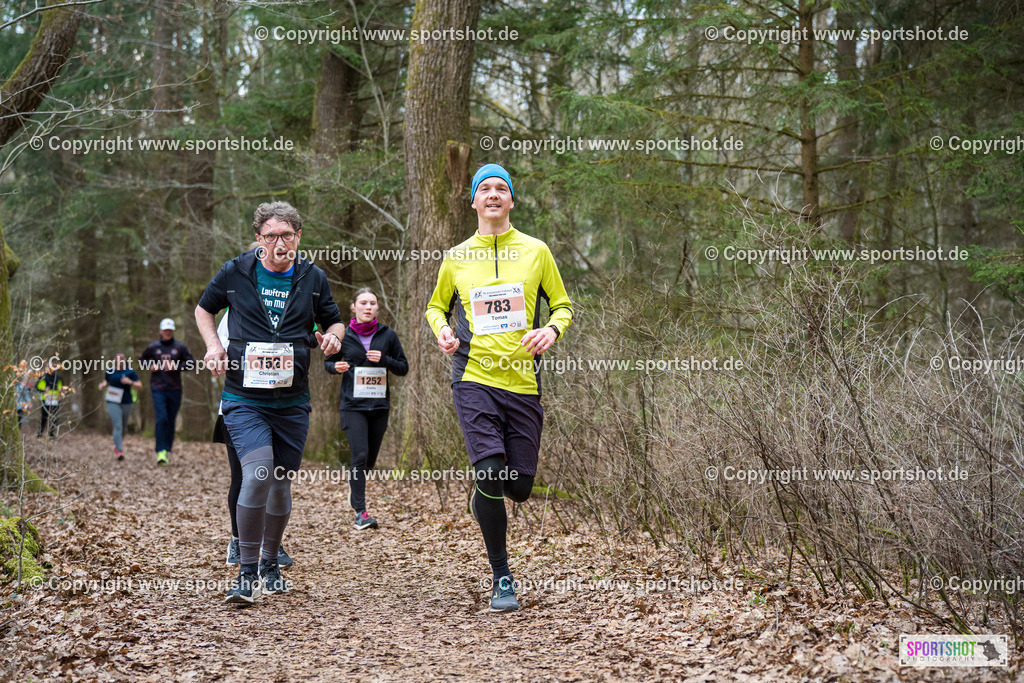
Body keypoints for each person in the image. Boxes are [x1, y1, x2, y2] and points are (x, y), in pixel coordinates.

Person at [425, 163, 574, 612]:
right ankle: (501, 575)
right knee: (489, 471)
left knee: (520, 486)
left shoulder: (536, 251)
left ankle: (484, 497)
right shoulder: (456, 257)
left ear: (511, 201)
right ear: (472, 201)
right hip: (473, 378)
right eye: (484, 189)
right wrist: (442, 332)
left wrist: (552, 331)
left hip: (523, 382)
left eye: (500, 189)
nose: (492, 194)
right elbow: (436, 307)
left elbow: (563, 305)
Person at [196, 201, 344, 605]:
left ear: (298, 237)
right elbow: (204, 308)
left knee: (279, 482)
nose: (279, 243)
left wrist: (333, 336)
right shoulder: (236, 271)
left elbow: (333, 319)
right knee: (257, 472)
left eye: (287, 236)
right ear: (258, 238)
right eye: (271, 236)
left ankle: (270, 563)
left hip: (292, 400)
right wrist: (213, 346)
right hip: (244, 396)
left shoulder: (313, 277)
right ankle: (245, 574)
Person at [214, 242, 293, 570]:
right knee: (245, 477)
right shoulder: (233, 311)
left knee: (277, 477)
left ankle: (272, 545)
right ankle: (238, 541)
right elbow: (217, 354)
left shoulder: (290, 306)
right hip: (241, 407)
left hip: (282, 409)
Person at [325, 287, 408, 530]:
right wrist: (336, 366)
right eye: (363, 302)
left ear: (377, 308)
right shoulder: (344, 335)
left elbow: (403, 367)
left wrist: (384, 359)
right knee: (359, 455)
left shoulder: (388, 335)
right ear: (353, 307)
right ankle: (360, 511)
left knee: (369, 460)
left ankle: (355, 491)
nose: (368, 307)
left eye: (372, 303)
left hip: (379, 406)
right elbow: (328, 362)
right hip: (353, 406)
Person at [139, 318, 194, 465]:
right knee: (161, 417)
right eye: (165, 330)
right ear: (160, 331)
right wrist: (150, 365)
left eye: (170, 330)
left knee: (170, 419)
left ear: (173, 331)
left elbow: (191, 363)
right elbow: (142, 360)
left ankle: (167, 448)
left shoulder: (180, 347)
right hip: (158, 388)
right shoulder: (153, 347)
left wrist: (176, 366)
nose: (167, 333)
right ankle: (161, 451)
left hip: (175, 388)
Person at [98, 352, 142, 460]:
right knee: (117, 425)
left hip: (126, 401)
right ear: (114, 360)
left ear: (125, 360)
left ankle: (117, 444)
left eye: (122, 358)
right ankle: (119, 450)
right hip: (112, 401)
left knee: (124, 427)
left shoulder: (130, 372)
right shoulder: (109, 371)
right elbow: (108, 381)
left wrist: (130, 382)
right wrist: (103, 384)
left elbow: (140, 386)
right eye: (118, 358)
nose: (120, 360)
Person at [35, 358, 63, 439]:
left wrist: (59, 393)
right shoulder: (43, 377)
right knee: (44, 417)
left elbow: (61, 387)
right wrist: (44, 390)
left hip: (55, 400)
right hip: (45, 400)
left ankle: (51, 434)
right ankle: (40, 434)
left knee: (54, 417)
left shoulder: (58, 377)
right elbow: (37, 387)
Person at [14, 360, 32, 427]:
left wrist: (29, 403)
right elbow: (26, 394)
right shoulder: (19, 384)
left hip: (20, 405)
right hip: (15, 405)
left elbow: (26, 395)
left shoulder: (23, 385)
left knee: (19, 420)